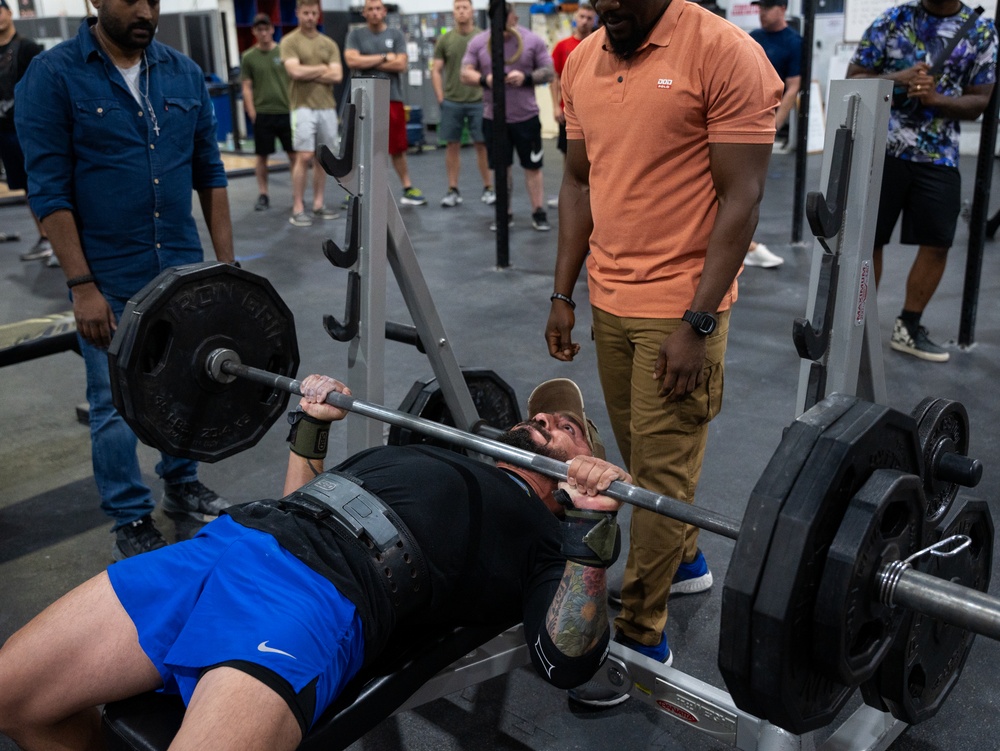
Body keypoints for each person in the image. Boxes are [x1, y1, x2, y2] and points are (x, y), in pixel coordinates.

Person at [0, 373, 628, 751]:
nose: (543, 416)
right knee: (15, 697)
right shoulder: (440, 455)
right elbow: (302, 500)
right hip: (233, 541)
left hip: (322, 593)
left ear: (583, 470)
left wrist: (591, 529)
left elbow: (567, 659)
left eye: (567, 425)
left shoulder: (551, 537)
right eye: (539, 413)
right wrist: (312, 425)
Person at [544, 0, 781, 705]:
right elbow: (579, 182)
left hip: (681, 307)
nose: (606, 5)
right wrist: (562, 293)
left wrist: (699, 322)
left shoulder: (724, 52)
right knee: (639, 459)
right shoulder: (583, 60)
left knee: (661, 469)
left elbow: (743, 194)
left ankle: (639, 634)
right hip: (610, 296)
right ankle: (681, 558)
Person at [15, 0, 235, 560]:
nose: (145, 10)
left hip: (181, 268)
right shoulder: (53, 74)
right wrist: (81, 285)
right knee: (112, 401)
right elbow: (48, 189)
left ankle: (181, 484)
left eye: (154, 1)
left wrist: (227, 270)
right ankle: (130, 515)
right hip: (108, 276)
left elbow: (209, 173)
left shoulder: (183, 72)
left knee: (186, 382)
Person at [847, 0, 997, 363]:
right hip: (883, 147)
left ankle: (908, 327)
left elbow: (979, 102)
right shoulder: (895, 18)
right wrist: (899, 78)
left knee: (938, 243)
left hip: (938, 153)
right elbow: (854, 78)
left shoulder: (980, 31)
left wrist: (935, 98)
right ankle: (858, 328)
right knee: (870, 239)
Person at [460, 2, 555, 232]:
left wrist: (526, 77)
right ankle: (504, 212)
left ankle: (538, 211)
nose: (502, 21)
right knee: (501, 168)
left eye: (505, 16)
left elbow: (549, 72)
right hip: (494, 118)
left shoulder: (531, 40)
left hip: (526, 117)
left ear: (513, 16)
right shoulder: (479, 41)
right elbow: (465, 73)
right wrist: (486, 80)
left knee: (533, 166)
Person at [345, 0, 427, 207]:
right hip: (364, 99)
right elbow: (352, 61)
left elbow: (401, 64)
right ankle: (357, 191)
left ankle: (407, 188)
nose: (374, 12)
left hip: (392, 97)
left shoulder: (396, 34)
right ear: (364, 13)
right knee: (363, 147)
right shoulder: (355, 35)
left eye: (377, 9)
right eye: (370, 9)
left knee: (398, 146)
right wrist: (384, 57)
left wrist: (367, 59)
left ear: (384, 12)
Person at [744, 0, 802, 270]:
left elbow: (793, 87)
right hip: (742, 119)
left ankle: (746, 245)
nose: (762, 14)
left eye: (767, 8)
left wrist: (774, 125)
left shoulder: (793, 42)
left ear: (782, 9)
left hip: (764, 123)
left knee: (749, 190)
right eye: (759, 8)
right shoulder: (753, 38)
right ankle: (746, 245)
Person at [280, 0, 343, 227]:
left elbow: (337, 76)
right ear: (297, 13)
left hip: (327, 107)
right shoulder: (290, 41)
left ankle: (318, 204)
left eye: (313, 13)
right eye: (305, 13)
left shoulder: (329, 44)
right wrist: (323, 68)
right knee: (303, 156)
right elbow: (294, 71)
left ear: (319, 14)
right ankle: (298, 207)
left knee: (322, 159)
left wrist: (310, 71)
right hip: (302, 107)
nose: (309, 17)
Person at [431, 0, 494, 208]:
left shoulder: (483, 37)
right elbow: (436, 70)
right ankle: (452, 189)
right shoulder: (445, 39)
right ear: (453, 12)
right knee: (452, 145)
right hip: (452, 101)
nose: (461, 11)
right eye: (457, 8)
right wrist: (441, 97)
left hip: (478, 100)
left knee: (482, 145)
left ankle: (488, 188)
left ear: (472, 11)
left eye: (465, 7)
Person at [0, 0, 49, 264]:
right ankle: (45, 238)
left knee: (45, 183)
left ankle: (59, 241)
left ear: (9, 12)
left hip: (29, 129)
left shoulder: (28, 48)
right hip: (5, 131)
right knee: (26, 189)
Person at [241, 13, 295, 213]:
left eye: (266, 29)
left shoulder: (284, 52)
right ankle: (263, 194)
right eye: (259, 29)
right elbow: (246, 86)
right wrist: (252, 112)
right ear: (254, 31)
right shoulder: (248, 57)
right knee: (261, 156)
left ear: (272, 29)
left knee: (295, 156)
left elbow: (293, 80)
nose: (263, 33)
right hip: (263, 113)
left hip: (286, 111)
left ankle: (296, 195)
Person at [549, 2, 596, 209]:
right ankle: (570, 194)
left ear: (594, 20)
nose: (585, 21)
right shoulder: (563, 46)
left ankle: (596, 195)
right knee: (569, 154)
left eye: (589, 18)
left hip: (596, 111)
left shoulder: (600, 44)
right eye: (582, 17)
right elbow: (555, 78)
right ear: (575, 18)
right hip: (569, 111)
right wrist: (555, 106)